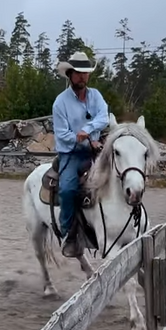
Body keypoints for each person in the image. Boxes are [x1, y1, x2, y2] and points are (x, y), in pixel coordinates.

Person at [52, 51, 110, 257]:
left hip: (95, 149)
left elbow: (104, 117)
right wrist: (83, 137)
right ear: (69, 74)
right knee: (67, 189)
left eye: (85, 73)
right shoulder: (60, 103)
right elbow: (62, 134)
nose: (82, 77)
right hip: (72, 153)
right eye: (78, 73)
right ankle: (68, 232)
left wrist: (89, 129)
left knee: (120, 175)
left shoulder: (96, 96)